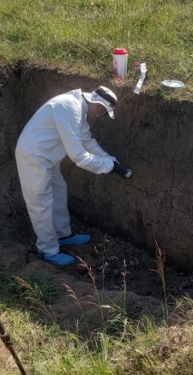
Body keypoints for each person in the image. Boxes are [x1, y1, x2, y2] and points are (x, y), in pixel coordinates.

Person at [16, 85, 131, 266]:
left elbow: (87, 141)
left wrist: (109, 158)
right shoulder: (68, 107)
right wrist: (108, 167)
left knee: (59, 192)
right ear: (99, 106)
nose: (100, 115)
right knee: (41, 203)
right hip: (33, 157)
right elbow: (79, 157)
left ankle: (63, 235)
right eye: (102, 111)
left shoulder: (78, 109)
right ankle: (48, 250)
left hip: (48, 158)